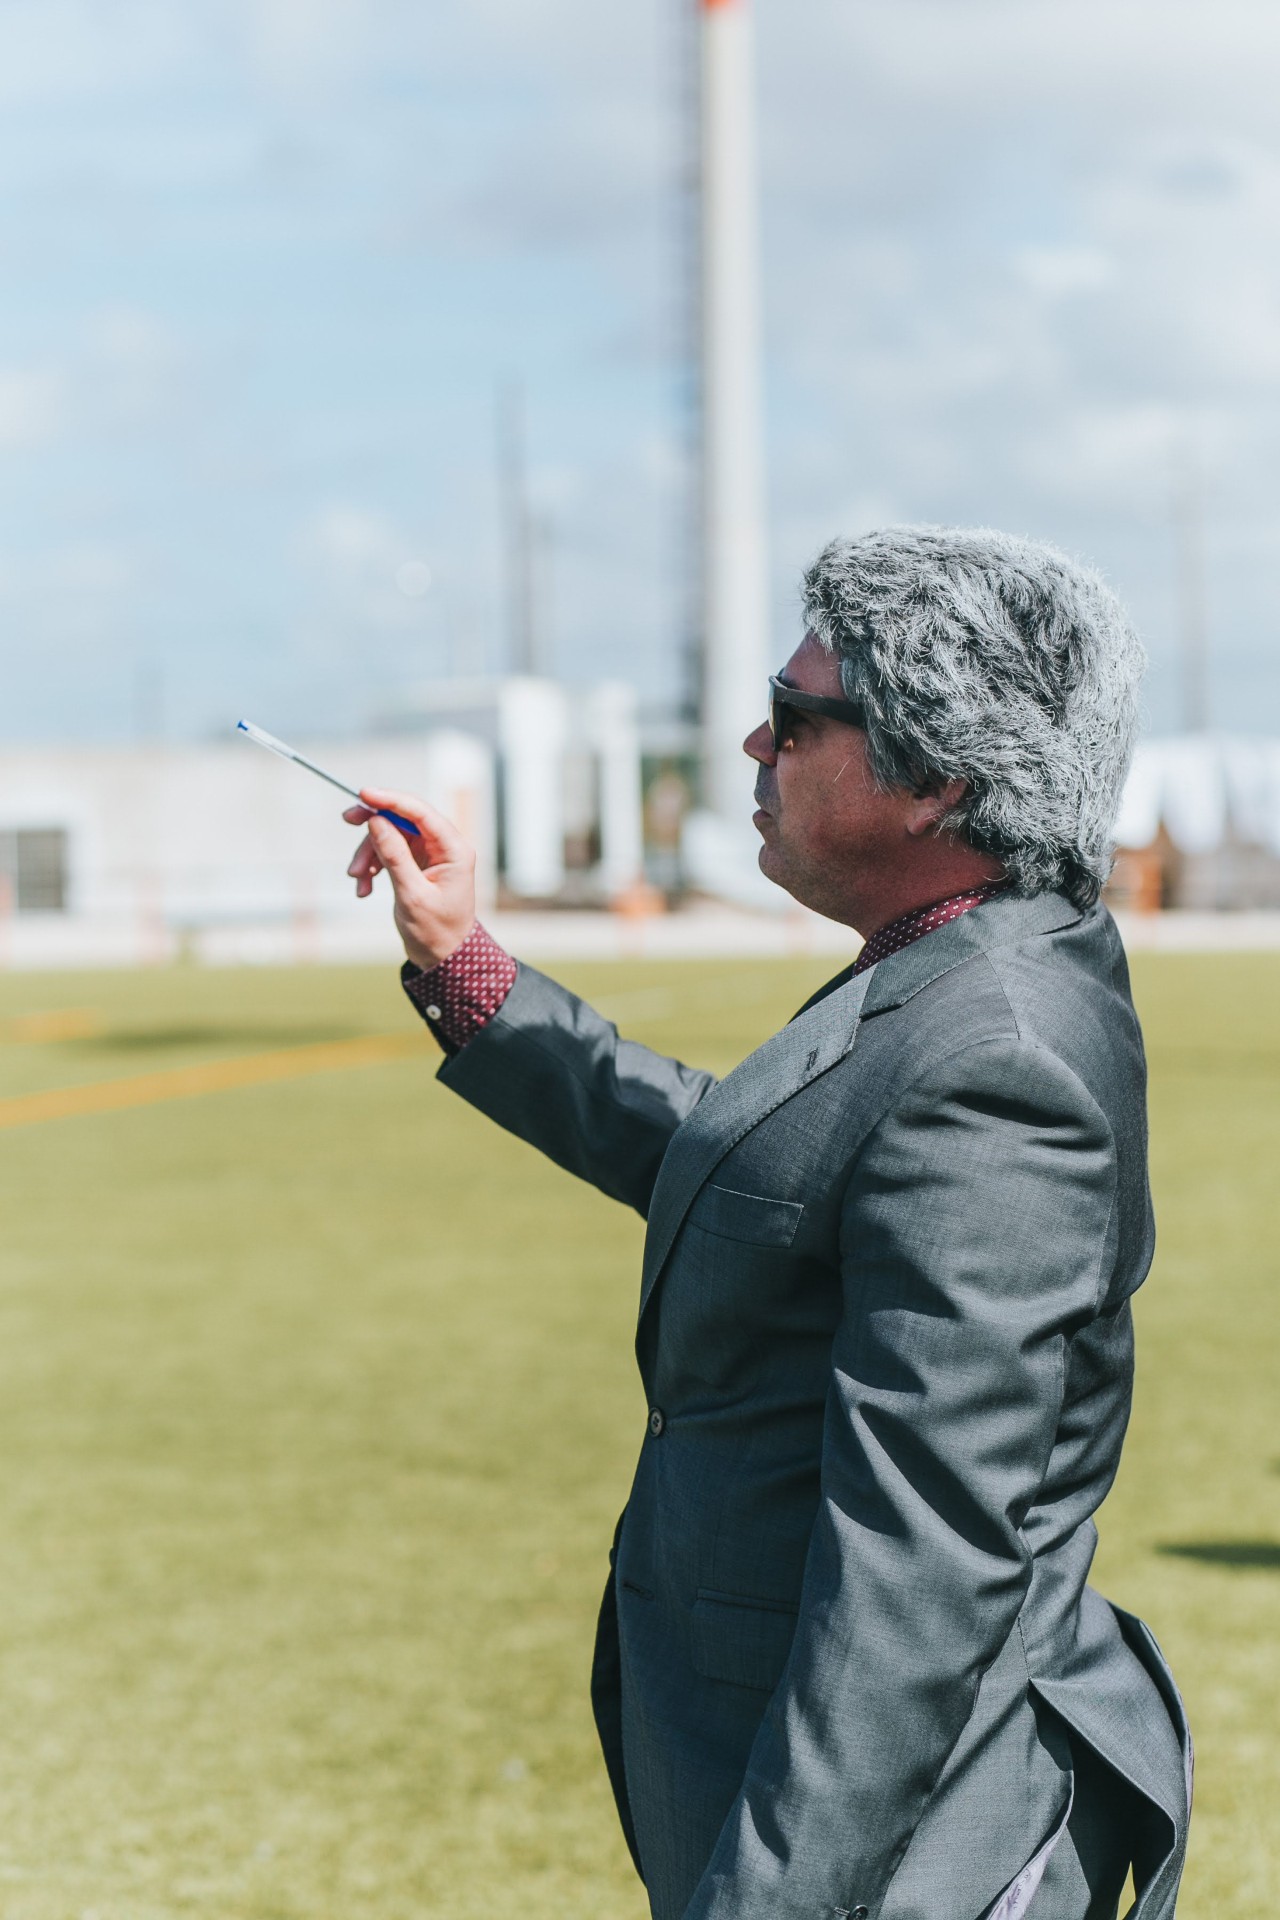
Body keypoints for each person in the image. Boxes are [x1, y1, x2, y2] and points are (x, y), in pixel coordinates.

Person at [344, 525, 1191, 1920]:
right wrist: (472, 972)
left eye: (796, 719)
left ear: (940, 778)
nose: (754, 743)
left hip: (911, 1839)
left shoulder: (997, 1053)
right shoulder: (969, 960)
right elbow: (767, 1172)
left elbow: (922, 1563)